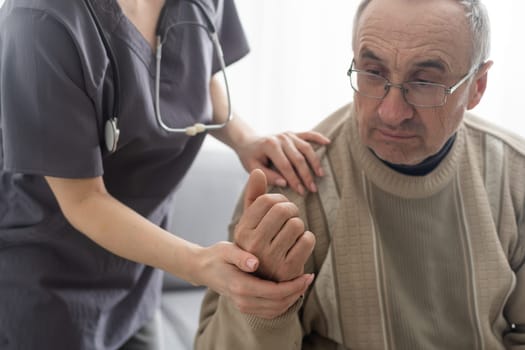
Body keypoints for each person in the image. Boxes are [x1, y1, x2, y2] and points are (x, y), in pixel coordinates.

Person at [195, 0, 525, 349]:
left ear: (477, 85)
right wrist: (266, 308)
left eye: (425, 81)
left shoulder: (515, 179)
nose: (392, 112)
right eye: (373, 73)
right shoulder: (291, 190)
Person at [0, 0, 329, 349]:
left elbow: (199, 68)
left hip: (138, 276)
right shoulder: (40, 21)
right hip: (44, 285)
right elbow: (83, 200)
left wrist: (244, 139)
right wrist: (199, 264)